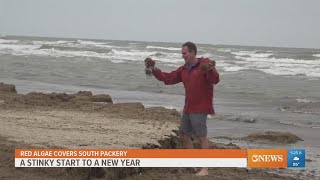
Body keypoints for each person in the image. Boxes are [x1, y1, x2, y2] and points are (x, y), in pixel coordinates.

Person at [145, 42, 220, 176]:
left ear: (192, 52)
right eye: (182, 53)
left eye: (184, 53)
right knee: (185, 135)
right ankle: (193, 164)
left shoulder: (204, 64)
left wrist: (210, 69)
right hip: (188, 107)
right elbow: (168, 78)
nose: (182, 56)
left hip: (201, 107)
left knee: (202, 137)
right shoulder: (184, 69)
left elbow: (215, 79)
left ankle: (205, 168)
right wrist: (154, 69)